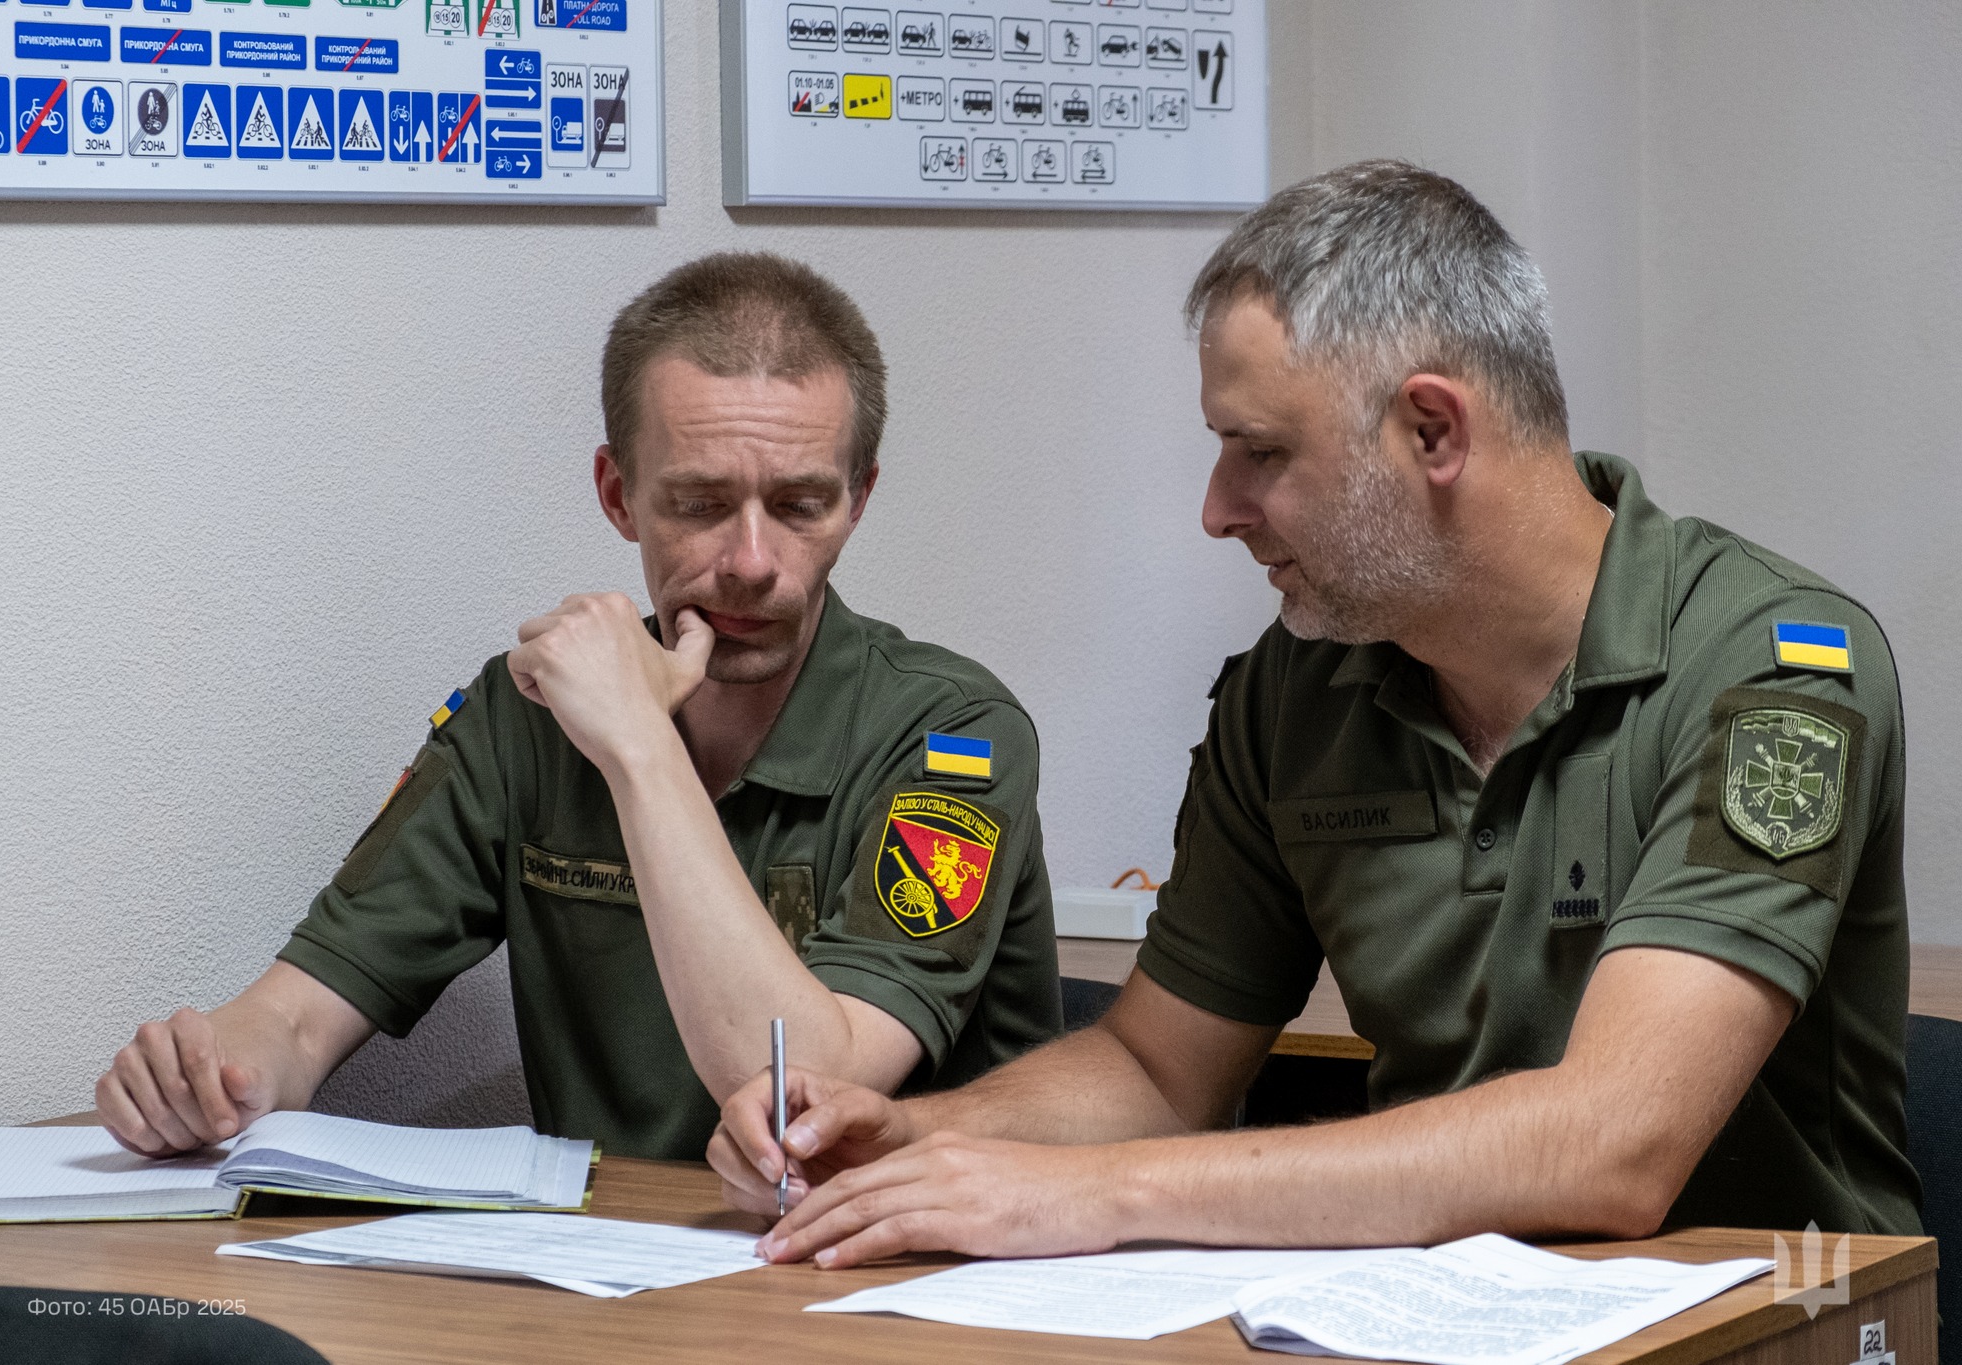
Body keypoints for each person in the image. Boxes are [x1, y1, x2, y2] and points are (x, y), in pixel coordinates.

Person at [711, 162, 1920, 1264]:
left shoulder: (1771, 672)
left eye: (1259, 452)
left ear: (1431, 431)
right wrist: (915, 1140)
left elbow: (1609, 1145)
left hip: (1768, 1325)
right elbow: (1157, 1068)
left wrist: (1099, 1194)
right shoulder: (1295, 690)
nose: (1217, 509)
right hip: (1429, 1315)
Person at [95, 252, 1063, 1160]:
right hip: (606, 1253)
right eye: (699, 503)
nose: (750, 561)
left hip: (893, 1261)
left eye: (800, 506)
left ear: (858, 498)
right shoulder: (526, 714)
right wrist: (209, 1076)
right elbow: (299, 1018)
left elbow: (800, 1099)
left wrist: (638, 746)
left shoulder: (954, 736)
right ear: (618, 494)